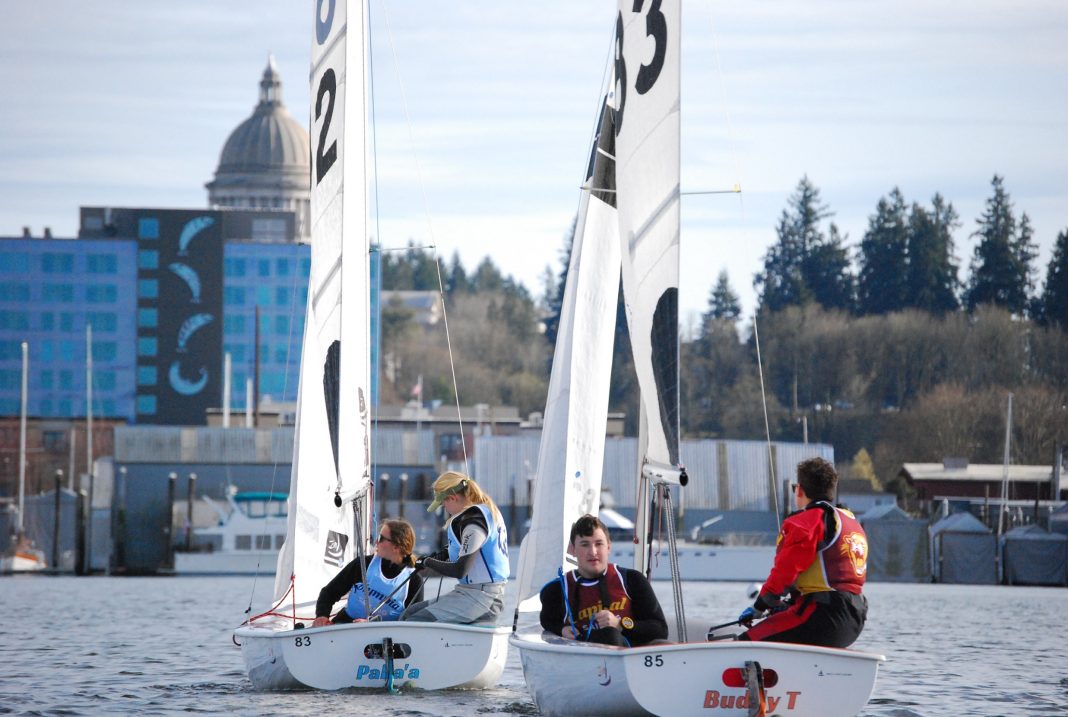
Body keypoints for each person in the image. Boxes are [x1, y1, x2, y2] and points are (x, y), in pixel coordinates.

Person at [735, 457, 868, 648]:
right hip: (854, 619)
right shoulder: (851, 522)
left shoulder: (808, 521)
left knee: (746, 643)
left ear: (799, 490)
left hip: (822, 615)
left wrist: (760, 606)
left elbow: (786, 571)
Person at [539, 514, 668, 647]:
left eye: (599, 544)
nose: (593, 552)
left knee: (610, 634)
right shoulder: (556, 590)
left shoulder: (633, 580)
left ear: (608, 547)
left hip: (628, 656)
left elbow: (660, 629)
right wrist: (562, 630)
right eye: (585, 544)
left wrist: (620, 624)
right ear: (572, 550)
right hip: (583, 657)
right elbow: (548, 622)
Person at [400, 471, 509, 624]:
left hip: (484, 598)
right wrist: (421, 559)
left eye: (443, 503)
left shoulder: (474, 522)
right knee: (409, 613)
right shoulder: (476, 514)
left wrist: (427, 563)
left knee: (416, 620)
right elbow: (452, 551)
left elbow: (460, 569)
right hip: (468, 592)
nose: (444, 507)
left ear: (453, 498)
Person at [312, 518, 424, 625]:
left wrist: (372, 625)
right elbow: (329, 593)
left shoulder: (413, 580)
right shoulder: (363, 564)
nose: (376, 541)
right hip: (345, 627)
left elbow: (412, 623)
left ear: (396, 547)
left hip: (383, 640)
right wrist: (322, 615)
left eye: (381, 538)